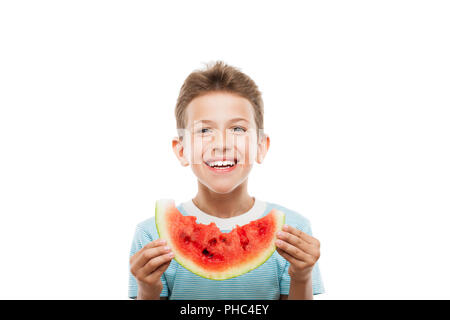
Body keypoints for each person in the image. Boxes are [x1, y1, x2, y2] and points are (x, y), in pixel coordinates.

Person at [128, 61, 324, 300]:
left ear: (261, 147)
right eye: (204, 131)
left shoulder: (291, 232)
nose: (221, 144)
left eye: (238, 129)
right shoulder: (152, 235)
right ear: (181, 151)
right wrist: (147, 290)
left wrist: (301, 276)